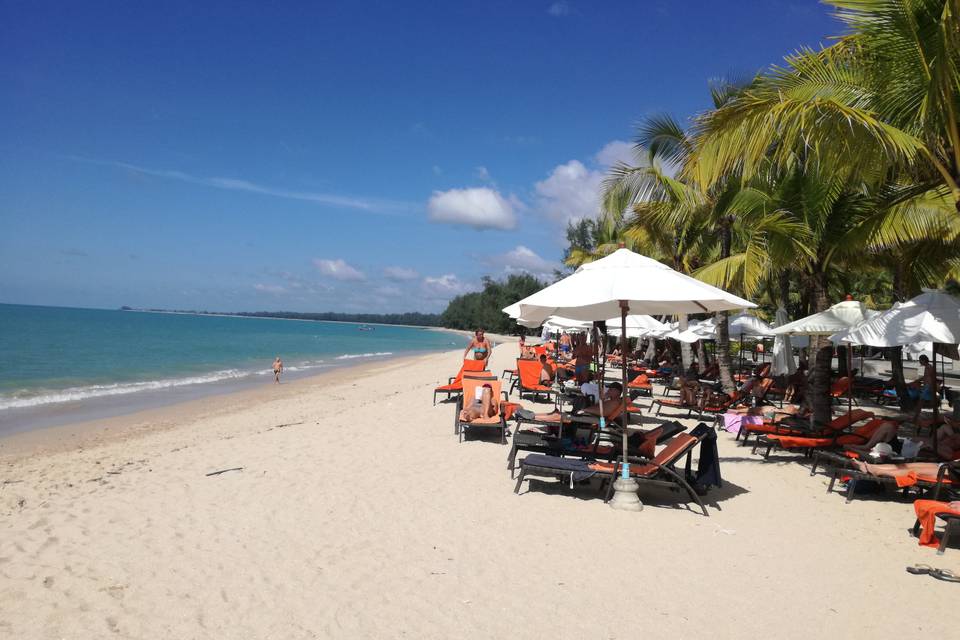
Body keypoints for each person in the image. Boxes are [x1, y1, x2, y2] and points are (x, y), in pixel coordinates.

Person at [909, 354, 938, 420]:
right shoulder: (928, 366)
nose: (919, 362)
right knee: (931, 403)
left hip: (928, 387)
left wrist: (931, 386)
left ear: (924, 360)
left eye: (920, 360)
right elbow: (926, 377)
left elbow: (932, 377)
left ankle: (915, 417)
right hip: (928, 386)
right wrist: (918, 380)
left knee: (921, 402)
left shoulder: (929, 367)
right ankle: (936, 416)